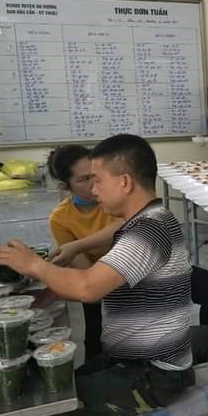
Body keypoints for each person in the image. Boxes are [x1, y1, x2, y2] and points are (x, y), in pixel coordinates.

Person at [0, 134, 194, 416]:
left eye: (98, 180)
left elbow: (88, 288)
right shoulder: (145, 220)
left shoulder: (149, 229)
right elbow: (91, 277)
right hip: (130, 362)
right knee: (44, 387)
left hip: (154, 375)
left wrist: (34, 265)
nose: (94, 189)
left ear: (125, 182)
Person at [46, 145, 120, 361]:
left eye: (96, 175)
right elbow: (86, 271)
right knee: (96, 336)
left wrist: (76, 246)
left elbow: (125, 224)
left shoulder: (115, 196)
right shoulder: (61, 218)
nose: (94, 183)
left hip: (133, 274)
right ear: (65, 185)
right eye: (84, 179)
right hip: (101, 283)